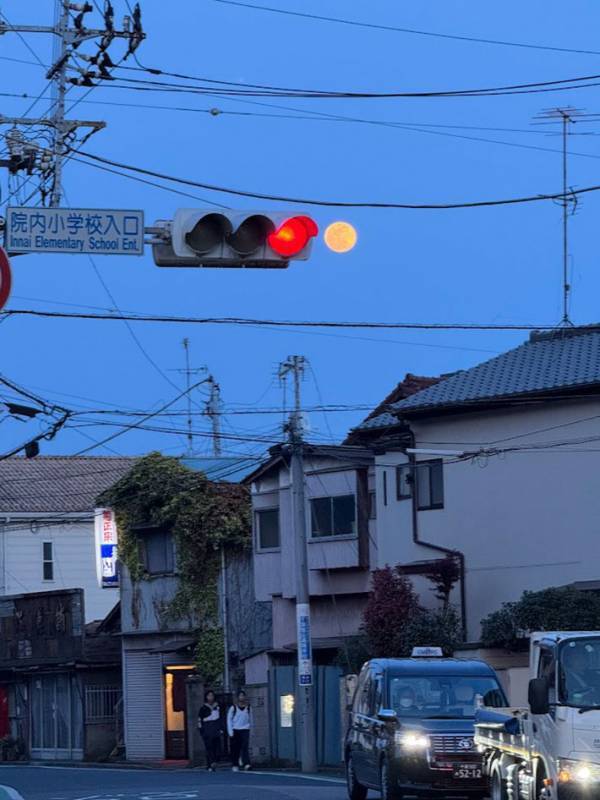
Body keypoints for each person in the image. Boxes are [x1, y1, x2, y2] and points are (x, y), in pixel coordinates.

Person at [227, 690, 252, 771]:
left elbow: (251, 719)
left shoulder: (248, 707)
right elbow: (229, 720)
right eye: (240, 696)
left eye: (243, 696)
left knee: (245, 746)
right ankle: (235, 764)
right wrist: (230, 732)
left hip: (245, 729)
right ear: (237, 697)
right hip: (235, 729)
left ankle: (246, 763)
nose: (242, 697)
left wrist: (251, 729)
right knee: (235, 748)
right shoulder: (233, 708)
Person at [198, 690, 222, 772]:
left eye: (212, 695)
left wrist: (221, 728)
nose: (210, 697)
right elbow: (199, 720)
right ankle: (210, 764)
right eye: (209, 696)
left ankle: (214, 762)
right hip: (207, 730)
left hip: (216, 730)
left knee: (217, 748)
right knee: (209, 748)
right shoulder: (203, 708)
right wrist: (201, 730)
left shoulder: (217, 706)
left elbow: (221, 718)